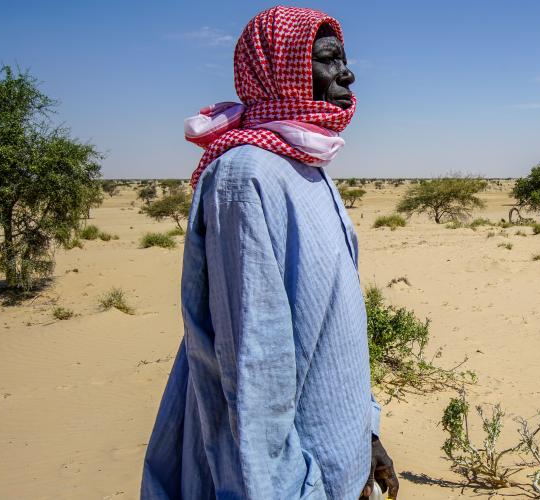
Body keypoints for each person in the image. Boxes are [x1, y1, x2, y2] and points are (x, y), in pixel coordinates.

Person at [141, 6, 399, 499]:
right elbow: (253, 367)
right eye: (327, 59)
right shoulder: (246, 177)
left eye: (343, 58)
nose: (346, 73)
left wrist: (364, 436)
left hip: (333, 468)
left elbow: (333, 335)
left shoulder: (306, 167)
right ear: (279, 71)